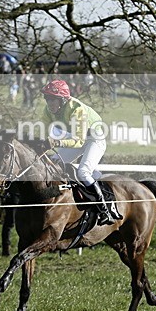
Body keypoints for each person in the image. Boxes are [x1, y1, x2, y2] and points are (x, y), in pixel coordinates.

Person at [41, 79, 115, 224]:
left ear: (62, 100)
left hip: (94, 139)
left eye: (52, 99)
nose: (49, 102)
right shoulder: (47, 110)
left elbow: (79, 141)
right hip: (75, 137)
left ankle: (104, 209)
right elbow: (43, 133)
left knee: (83, 172)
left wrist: (56, 142)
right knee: (54, 162)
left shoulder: (77, 109)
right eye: (47, 98)